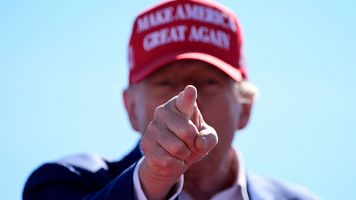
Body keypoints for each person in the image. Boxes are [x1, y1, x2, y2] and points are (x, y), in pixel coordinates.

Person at [23, 0, 319, 199]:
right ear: (131, 108)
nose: (185, 101)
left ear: (245, 107)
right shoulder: (66, 182)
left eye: (209, 82)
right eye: (164, 83)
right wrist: (152, 180)